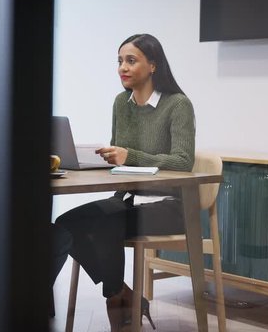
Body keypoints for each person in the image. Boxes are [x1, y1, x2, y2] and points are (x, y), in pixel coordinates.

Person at [54, 34, 195, 331]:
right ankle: (123, 294)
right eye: (120, 61)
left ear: (153, 65)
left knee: (105, 223)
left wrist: (130, 155)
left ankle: (116, 304)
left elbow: (183, 162)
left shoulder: (178, 104)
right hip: (127, 199)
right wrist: (98, 160)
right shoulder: (122, 103)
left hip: (171, 206)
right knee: (66, 223)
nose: (123, 67)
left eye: (131, 60)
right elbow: (123, 164)